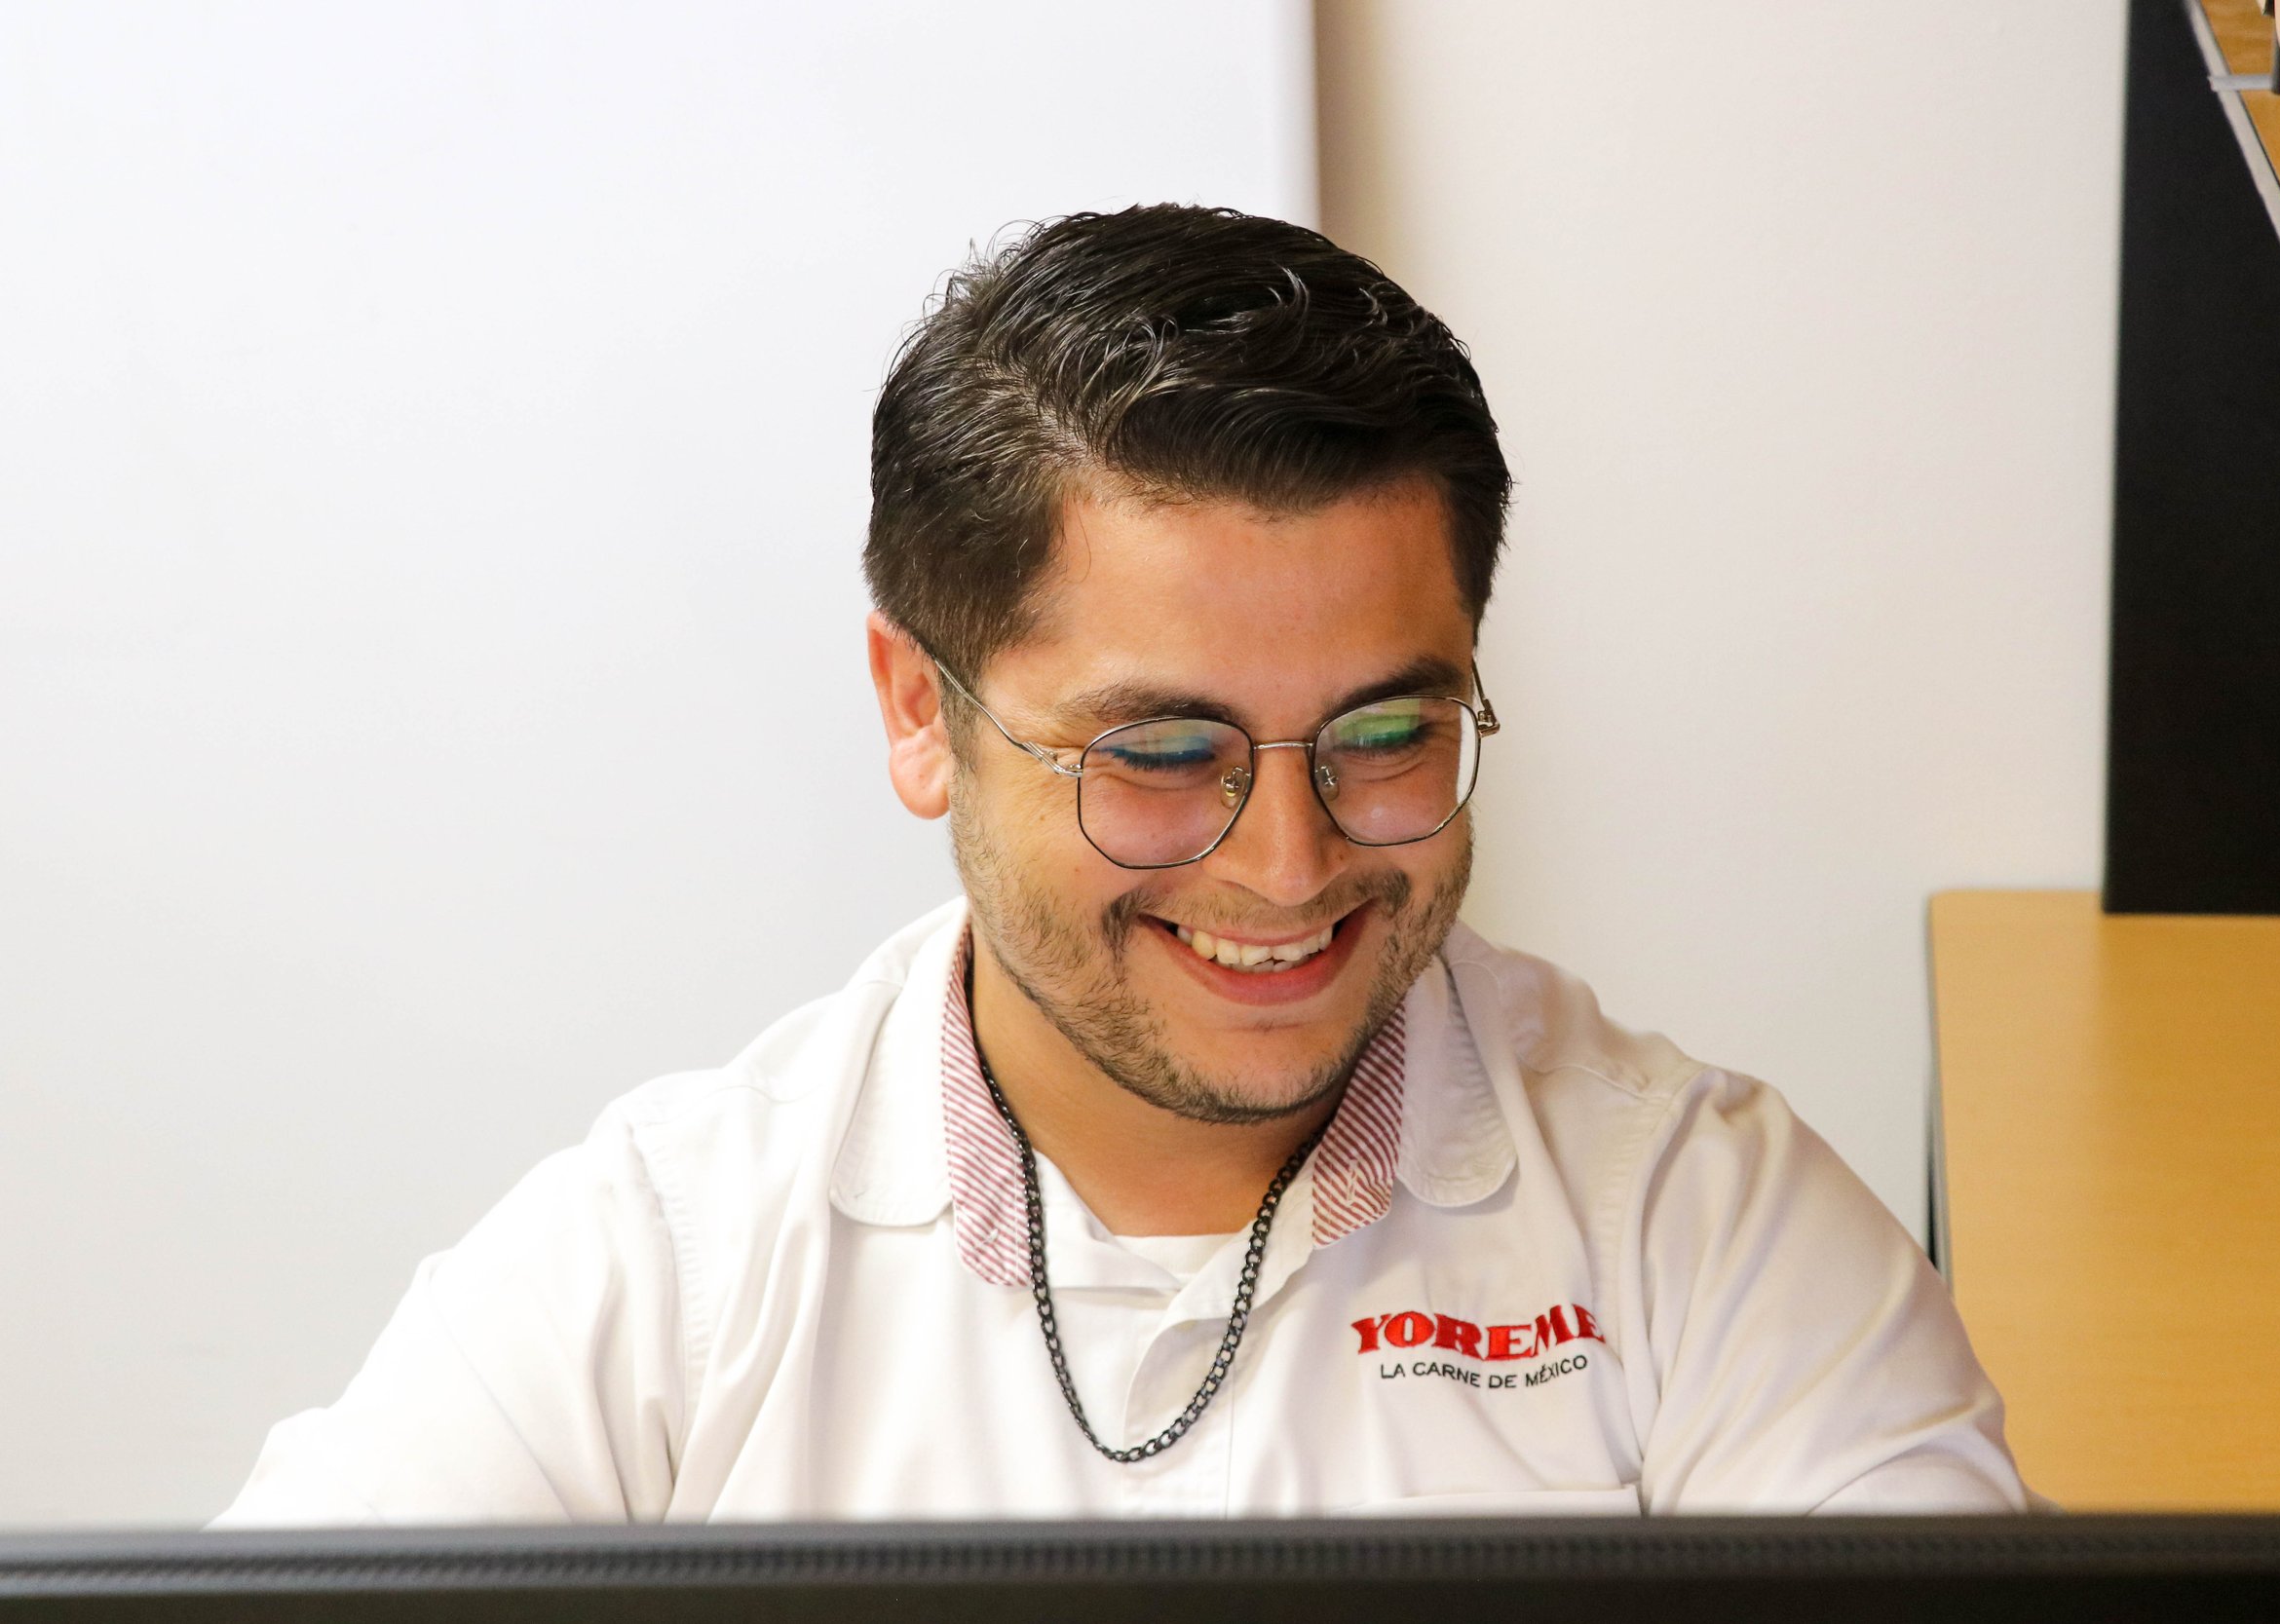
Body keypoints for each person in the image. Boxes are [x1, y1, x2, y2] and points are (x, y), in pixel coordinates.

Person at [218, 206, 2025, 1524]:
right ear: (920, 713)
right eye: (1163, 756)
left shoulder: (1706, 1231)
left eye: (1386, 735)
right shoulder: (658, 1274)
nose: (1290, 867)